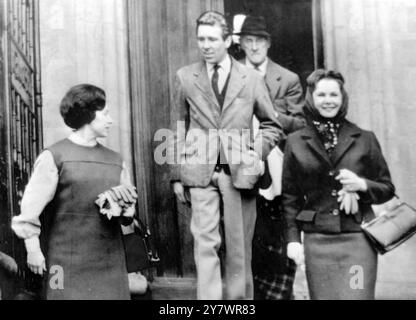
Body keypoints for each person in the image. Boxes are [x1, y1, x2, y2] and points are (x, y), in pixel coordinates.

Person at [170, 11, 282, 300]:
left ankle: (238, 304)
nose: (205, 45)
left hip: (239, 173)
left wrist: (256, 155)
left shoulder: (251, 78)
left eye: (211, 39)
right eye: (201, 39)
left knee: (238, 246)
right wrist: (176, 176)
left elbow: (272, 126)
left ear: (227, 40)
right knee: (204, 244)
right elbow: (176, 127)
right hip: (199, 171)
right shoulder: (185, 76)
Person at [11, 84, 138, 300]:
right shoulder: (54, 156)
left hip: (110, 261)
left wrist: (127, 213)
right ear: (88, 114)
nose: (111, 120)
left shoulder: (117, 160)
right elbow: (29, 212)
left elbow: (128, 218)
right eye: (105, 114)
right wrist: (33, 250)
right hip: (63, 262)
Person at [282, 69, 395, 299]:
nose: (328, 101)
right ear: (311, 98)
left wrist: (361, 184)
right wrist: (293, 240)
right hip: (317, 241)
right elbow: (290, 198)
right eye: (321, 95)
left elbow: (387, 189)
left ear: (342, 98)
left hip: (358, 241)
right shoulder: (295, 142)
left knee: (357, 296)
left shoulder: (365, 138)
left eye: (334, 95)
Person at [236, 15, 305, 300]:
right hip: (240, 160)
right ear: (240, 44)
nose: (254, 47)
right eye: (248, 41)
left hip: (275, 165)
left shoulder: (287, 78)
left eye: (259, 41)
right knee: (242, 234)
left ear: (268, 43)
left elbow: (300, 124)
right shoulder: (230, 73)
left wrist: (270, 115)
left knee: (274, 234)